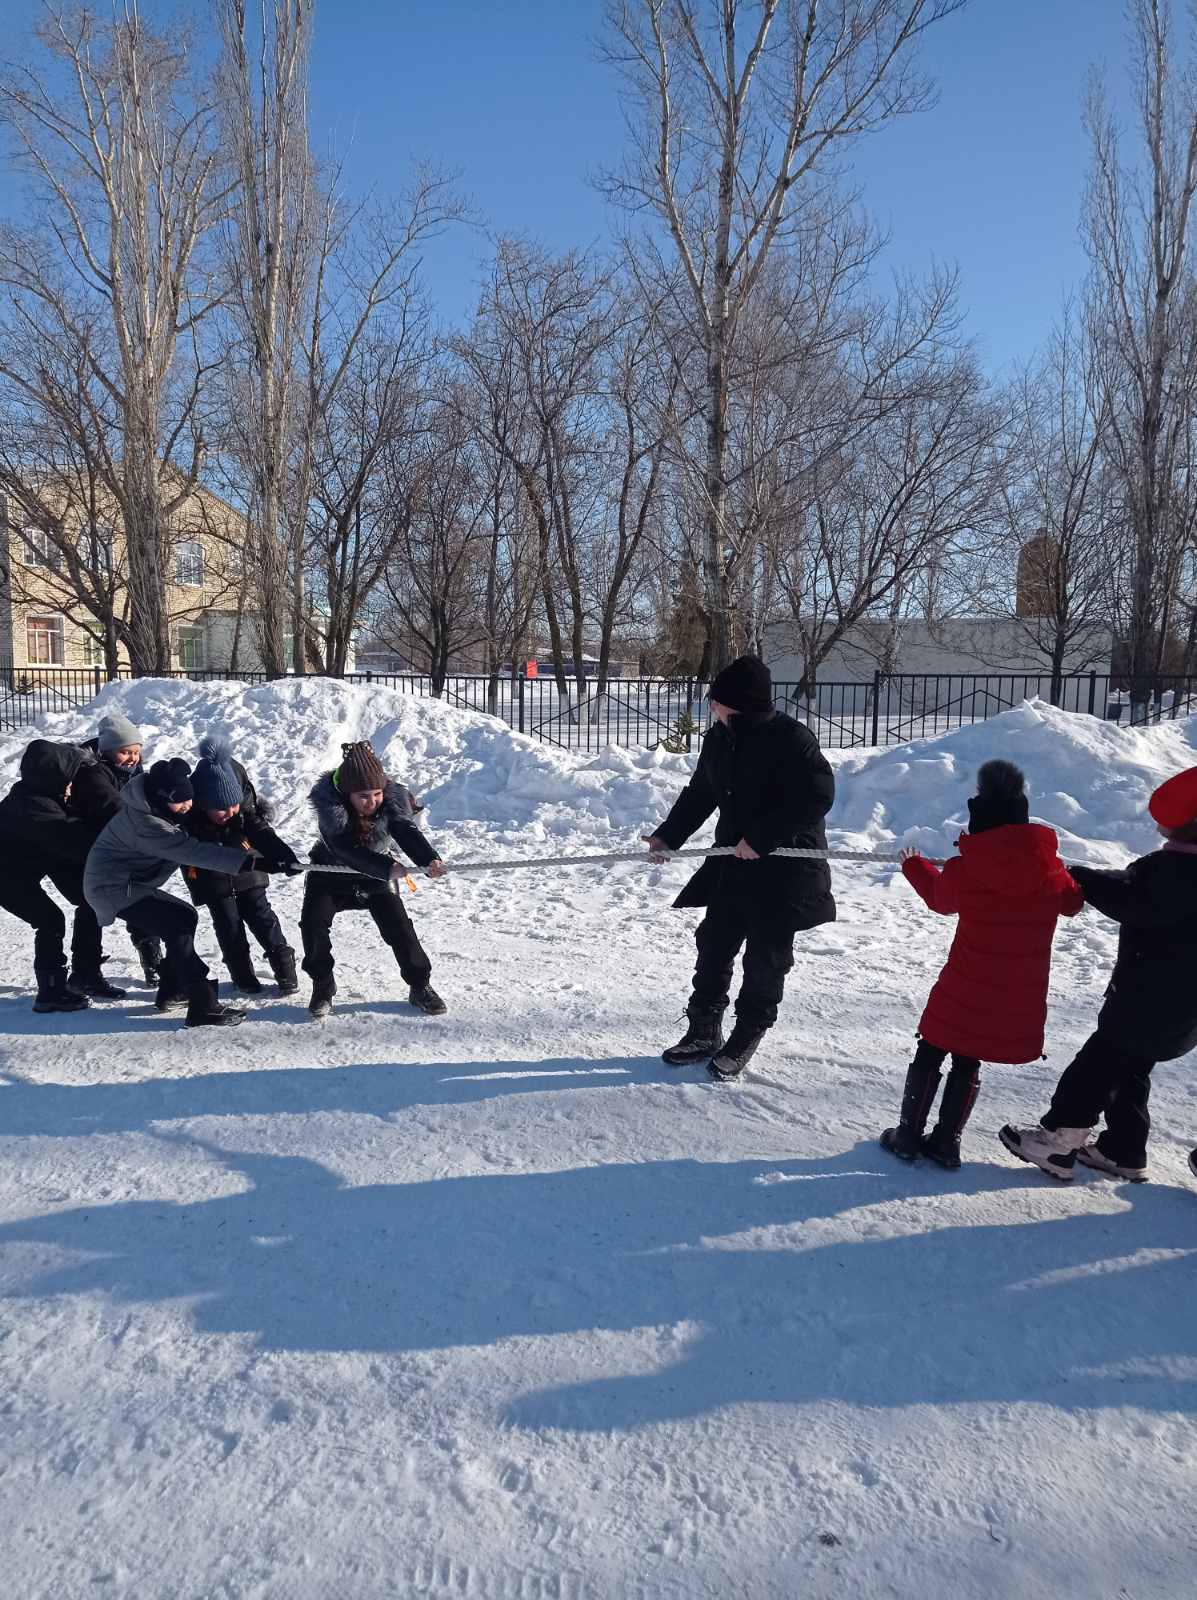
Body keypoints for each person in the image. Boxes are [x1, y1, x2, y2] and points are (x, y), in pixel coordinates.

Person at [880, 761, 1083, 1170]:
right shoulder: (1051, 872)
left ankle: (907, 1136)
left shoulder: (967, 868)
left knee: (932, 1047)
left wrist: (913, 865)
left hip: (964, 982)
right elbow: (1073, 903)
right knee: (968, 1056)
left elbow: (940, 899)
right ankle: (946, 1142)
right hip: (1015, 992)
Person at [1000, 765, 1197, 1182]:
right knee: (1131, 1070)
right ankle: (1122, 1149)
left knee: (1093, 1069)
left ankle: (1057, 1140)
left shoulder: (1170, 872)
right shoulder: (1170, 871)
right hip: (1182, 1006)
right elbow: (1131, 887)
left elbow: (1131, 899)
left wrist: (1079, 878)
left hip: (1145, 999)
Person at [643, 655, 835, 1080]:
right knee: (714, 942)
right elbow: (700, 794)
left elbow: (815, 799)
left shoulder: (792, 739)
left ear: (741, 704)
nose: (711, 707)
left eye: (717, 701)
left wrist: (763, 838)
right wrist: (667, 838)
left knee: (766, 956)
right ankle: (703, 1028)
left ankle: (748, 1032)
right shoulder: (719, 738)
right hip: (732, 861)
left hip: (783, 869)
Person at [83, 757, 259, 1027]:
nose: (188, 806)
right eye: (181, 800)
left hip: (128, 883)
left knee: (184, 916)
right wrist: (248, 862)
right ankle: (203, 1004)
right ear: (162, 798)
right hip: (112, 887)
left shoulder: (160, 809)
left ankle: (172, 991)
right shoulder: (146, 824)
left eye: (190, 798)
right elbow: (190, 851)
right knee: (177, 924)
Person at [301, 740, 445, 1020]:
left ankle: (420, 985)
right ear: (346, 795)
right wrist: (387, 866)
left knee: (399, 926)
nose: (372, 801)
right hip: (331, 870)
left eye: (377, 794)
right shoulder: (329, 808)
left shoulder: (392, 802)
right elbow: (343, 847)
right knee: (312, 923)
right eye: (364, 796)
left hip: (377, 872)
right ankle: (322, 986)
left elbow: (405, 830)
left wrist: (429, 860)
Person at [0, 739, 120, 1013]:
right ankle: (50, 991)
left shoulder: (44, 796)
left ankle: (86, 974)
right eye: (68, 780)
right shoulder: (33, 807)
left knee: (89, 898)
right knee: (50, 920)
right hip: (7, 877)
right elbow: (72, 840)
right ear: (52, 778)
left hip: (38, 860)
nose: (71, 787)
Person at [182, 734, 302, 997]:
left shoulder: (241, 807)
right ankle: (242, 976)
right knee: (228, 924)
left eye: (234, 805)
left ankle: (285, 968)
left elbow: (261, 830)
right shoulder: (191, 815)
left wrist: (284, 855)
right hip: (210, 876)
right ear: (203, 805)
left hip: (249, 867)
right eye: (221, 809)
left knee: (263, 917)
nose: (230, 812)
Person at [69, 711, 164, 987]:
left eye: (136, 751)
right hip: (94, 853)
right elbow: (114, 808)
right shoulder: (93, 774)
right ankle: (85, 972)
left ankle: (152, 959)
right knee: (91, 908)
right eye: (125, 752)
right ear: (107, 750)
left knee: (139, 897)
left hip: (125, 849)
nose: (132, 758)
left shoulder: (134, 772)